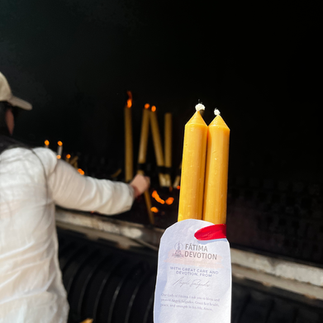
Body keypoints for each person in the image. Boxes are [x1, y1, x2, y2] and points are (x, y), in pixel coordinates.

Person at [0, 72, 150, 323]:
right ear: (4, 115)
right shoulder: (34, 163)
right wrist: (132, 189)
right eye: (12, 111)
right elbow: (94, 195)